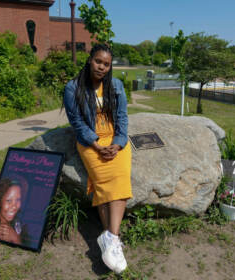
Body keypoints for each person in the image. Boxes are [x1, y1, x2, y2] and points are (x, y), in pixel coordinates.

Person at [64, 44, 132, 274]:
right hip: (90, 141)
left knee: (121, 175)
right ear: (90, 60)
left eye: (106, 64)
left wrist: (118, 143)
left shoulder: (116, 86)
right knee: (104, 180)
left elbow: (122, 117)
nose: (102, 67)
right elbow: (77, 123)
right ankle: (114, 240)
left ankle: (110, 239)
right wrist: (96, 144)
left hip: (114, 139)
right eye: (98, 62)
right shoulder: (73, 88)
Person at [0, 178, 28, 245]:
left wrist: (15, 238)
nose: (14, 206)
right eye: (9, 200)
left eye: (18, 199)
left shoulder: (17, 224)